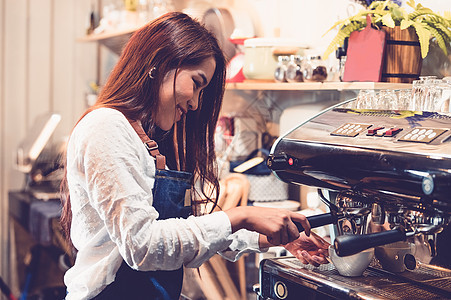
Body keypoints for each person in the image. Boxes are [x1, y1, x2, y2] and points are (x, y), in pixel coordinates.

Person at [60, 12, 329, 300]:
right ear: (159, 65)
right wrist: (241, 215)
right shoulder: (106, 127)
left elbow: (182, 229)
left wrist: (268, 237)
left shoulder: (148, 137)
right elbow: (143, 246)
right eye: (197, 82)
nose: (196, 102)